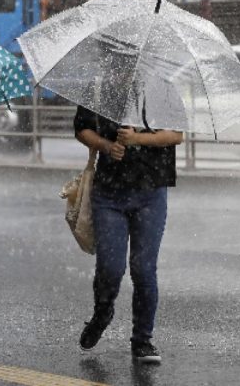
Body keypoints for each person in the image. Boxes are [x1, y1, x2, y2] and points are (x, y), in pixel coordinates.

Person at [73, 106, 183, 364]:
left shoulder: (162, 85)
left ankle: (142, 340)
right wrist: (107, 146)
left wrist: (137, 139)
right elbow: (81, 129)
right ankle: (102, 313)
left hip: (151, 192)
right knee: (110, 267)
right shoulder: (102, 84)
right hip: (109, 193)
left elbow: (176, 135)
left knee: (143, 270)